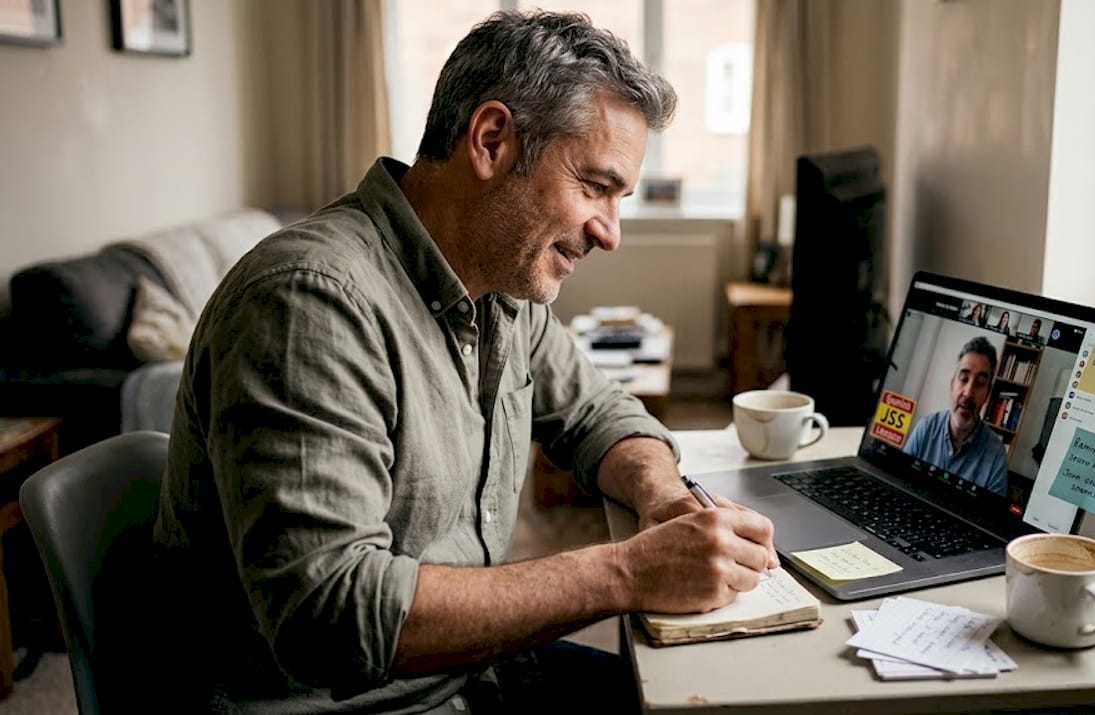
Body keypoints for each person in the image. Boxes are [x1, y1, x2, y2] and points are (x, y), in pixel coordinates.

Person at [151, 10, 777, 714]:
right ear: (491, 141)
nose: (610, 233)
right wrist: (626, 570)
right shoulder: (308, 304)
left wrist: (661, 495)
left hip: (473, 674)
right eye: (595, 187)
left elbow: (600, 413)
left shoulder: (497, 288)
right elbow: (327, 615)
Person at [901, 336, 1009, 495]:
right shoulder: (926, 427)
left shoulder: (996, 455)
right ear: (952, 385)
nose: (968, 392)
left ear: (987, 394)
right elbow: (899, 480)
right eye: (964, 378)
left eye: (979, 383)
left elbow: (989, 518)